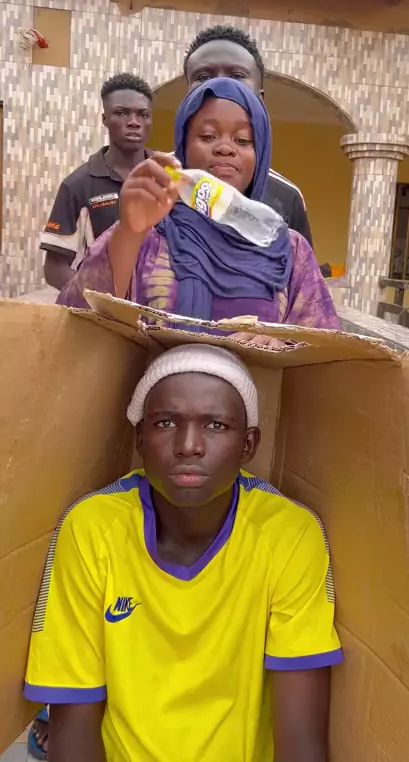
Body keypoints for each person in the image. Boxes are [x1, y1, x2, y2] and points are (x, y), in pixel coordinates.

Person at [24, 344, 342, 761]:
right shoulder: (92, 528)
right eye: (167, 422)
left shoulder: (289, 533)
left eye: (216, 425)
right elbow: (75, 718)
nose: (189, 445)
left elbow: (302, 739)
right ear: (140, 438)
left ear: (248, 445)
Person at [57, 78, 339, 338]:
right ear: (183, 148)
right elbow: (75, 322)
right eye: (207, 136)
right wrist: (129, 233)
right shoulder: (147, 235)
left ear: (260, 154)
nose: (225, 148)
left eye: (242, 140)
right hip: (155, 378)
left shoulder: (290, 251)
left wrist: (279, 345)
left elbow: (323, 350)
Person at [184, 24, 313, 246]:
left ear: (260, 99)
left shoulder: (286, 198)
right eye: (204, 76)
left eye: (237, 76)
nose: (221, 85)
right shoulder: (156, 184)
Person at [40, 73, 154, 291]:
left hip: (162, 305)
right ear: (104, 119)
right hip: (105, 308)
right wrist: (95, 300)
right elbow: (54, 268)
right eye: (121, 113)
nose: (134, 122)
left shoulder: (170, 175)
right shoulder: (77, 186)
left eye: (143, 114)